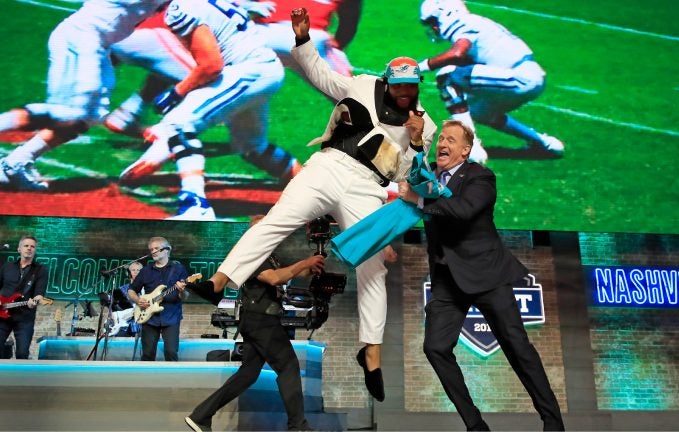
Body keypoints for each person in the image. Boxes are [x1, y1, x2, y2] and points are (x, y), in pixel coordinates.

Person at [185, 7, 438, 402]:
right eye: (400, 85)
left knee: (372, 266)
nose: (407, 92)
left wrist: (418, 141)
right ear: (389, 82)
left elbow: (409, 177)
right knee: (277, 220)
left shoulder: (426, 123)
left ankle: (370, 351)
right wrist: (302, 39)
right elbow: (321, 75)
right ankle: (220, 282)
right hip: (329, 166)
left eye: (413, 86)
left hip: (368, 188)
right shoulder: (362, 86)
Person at [399, 120, 564, 431]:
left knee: (519, 349)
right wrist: (417, 140)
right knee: (435, 347)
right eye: (441, 139)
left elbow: (461, 211)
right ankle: (476, 425)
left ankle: (553, 423)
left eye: (451, 139)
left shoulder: (480, 176)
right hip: (447, 280)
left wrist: (418, 200)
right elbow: (407, 173)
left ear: (465, 150)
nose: (443, 144)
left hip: (487, 274)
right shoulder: (428, 173)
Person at [117, 0, 288, 220]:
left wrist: (176, 93)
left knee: (178, 124)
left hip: (248, 71)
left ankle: (196, 207)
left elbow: (211, 65)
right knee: (253, 147)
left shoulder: (180, 9)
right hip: (263, 68)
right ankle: (315, 196)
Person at [0, 0, 166, 190]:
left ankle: (16, 163)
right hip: (81, 37)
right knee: (67, 113)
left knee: (88, 117)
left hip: (98, 44)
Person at [184, 215, 323, 432]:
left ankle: (201, 416)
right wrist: (304, 263)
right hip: (262, 320)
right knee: (288, 366)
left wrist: (309, 267)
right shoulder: (254, 254)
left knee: (248, 373)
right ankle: (298, 426)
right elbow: (274, 278)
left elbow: (284, 275)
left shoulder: (266, 255)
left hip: (257, 320)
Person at [417, 0, 564, 163]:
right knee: (479, 111)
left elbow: (457, 54)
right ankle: (546, 143)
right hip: (531, 76)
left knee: (447, 76)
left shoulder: (460, 22)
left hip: (520, 77)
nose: (434, 28)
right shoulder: (476, 22)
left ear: (445, 13)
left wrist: (419, 67)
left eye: (433, 22)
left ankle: (469, 145)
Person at [255, 0, 361, 78]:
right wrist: (338, 44)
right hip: (310, 38)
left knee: (251, 96)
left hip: (261, 36)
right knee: (354, 98)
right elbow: (349, 21)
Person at [127, 237, 189, 361]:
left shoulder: (179, 269)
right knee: (147, 353)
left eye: (156, 248)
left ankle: (170, 379)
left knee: (171, 352)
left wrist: (181, 291)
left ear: (167, 250)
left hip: (171, 316)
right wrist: (138, 300)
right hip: (149, 318)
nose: (153, 251)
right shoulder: (146, 270)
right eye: (151, 249)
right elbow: (131, 290)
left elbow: (185, 296)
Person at [0, 236, 49, 360]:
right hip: (2, 315)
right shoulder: (7, 267)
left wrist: (35, 301)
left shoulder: (40, 270)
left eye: (32, 246)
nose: (29, 248)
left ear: (35, 250)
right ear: (19, 249)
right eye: (26, 246)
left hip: (24, 317)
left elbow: (39, 293)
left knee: (22, 354)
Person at [108, 261, 143, 337]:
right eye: (133, 270)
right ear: (129, 273)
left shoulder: (147, 289)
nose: (136, 272)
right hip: (124, 327)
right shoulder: (122, 289)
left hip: (141, 326)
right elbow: (113, 310)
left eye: (139, 270)